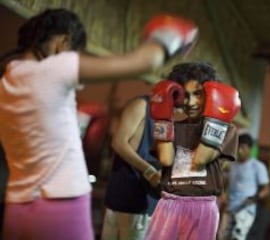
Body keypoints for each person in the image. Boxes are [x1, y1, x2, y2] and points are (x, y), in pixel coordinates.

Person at [0, 8, 198, 240]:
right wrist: (170, 35)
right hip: (61, 201)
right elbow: (146, 61)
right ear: (63, 43)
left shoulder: (6, 81)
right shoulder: (52, 69)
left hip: (17, 204)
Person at [144, 62, 241, 240]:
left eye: (198, 94)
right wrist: (164, 116)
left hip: (202, 207)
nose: (191, 102)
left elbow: (201, 158)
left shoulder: (226, 129)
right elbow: (166, 159)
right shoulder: (171, 126)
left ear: (211, 96)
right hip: (169, 203)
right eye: (185, 96)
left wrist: (217, 115)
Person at [101, 94, 161, 240]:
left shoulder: (171, 118)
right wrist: (150, 172)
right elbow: (119, 142)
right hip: (129, 199)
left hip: (145, 202)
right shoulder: (143, 105)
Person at [222, 133, 270, 240]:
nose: (239, 150)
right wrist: (223, 193)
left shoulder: (257, 166)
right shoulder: (232, 164)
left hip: (246, 209)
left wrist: (254, 198)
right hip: (230, 207)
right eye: (238, 147)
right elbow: (226, 182)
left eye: (243, 147)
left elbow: (266, 189)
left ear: (250, 148)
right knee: (222, 236)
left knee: (238, 237)